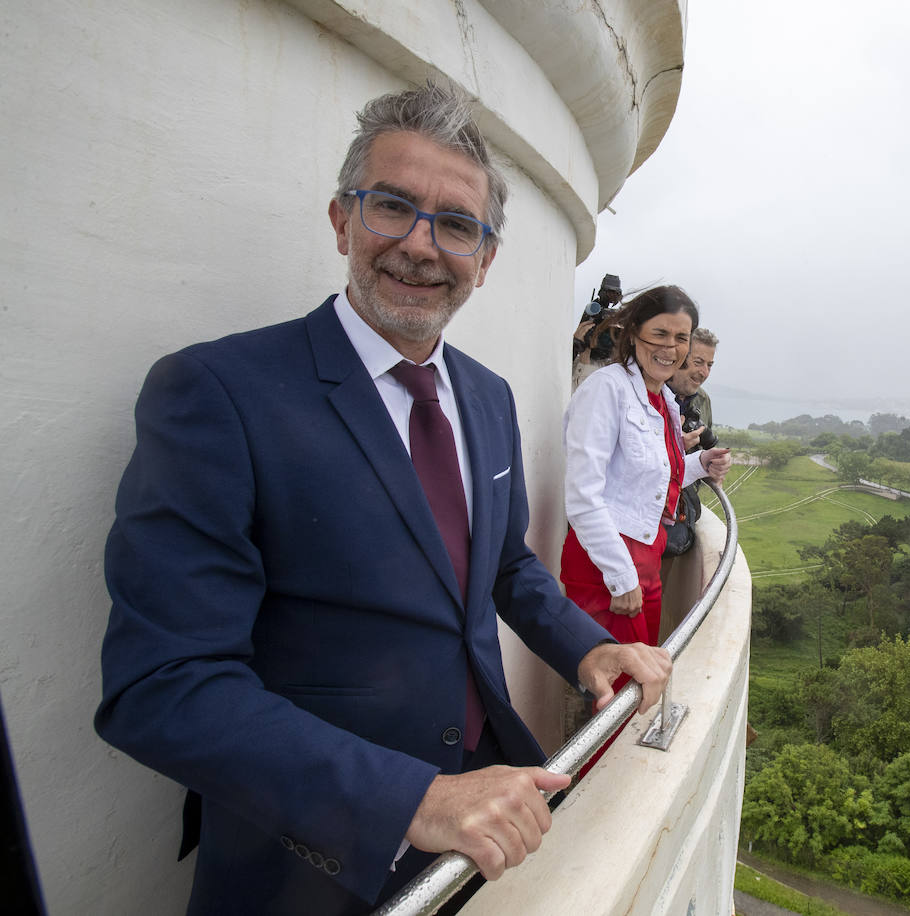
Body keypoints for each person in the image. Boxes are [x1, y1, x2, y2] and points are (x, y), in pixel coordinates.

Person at [93, 81, 671, 916]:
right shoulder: (218, 392)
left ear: (487, 257)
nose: (422, 246)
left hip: (482, 804)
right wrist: (410, 800)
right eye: (392, 206)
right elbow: (162, 685)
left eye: (457, 225)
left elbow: (502, 564)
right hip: (310, 852)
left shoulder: (487, 395)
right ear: (341, 220)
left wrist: (587, 650)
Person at [560, 288, 731, 649]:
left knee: (639, 677)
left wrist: (700, 464)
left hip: (647, 557)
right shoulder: (606, 390)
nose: (671, 348)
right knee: (623, 685)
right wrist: (620, 576)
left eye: (680, 338)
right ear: (634, 332)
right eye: (660, 334)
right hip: (606, 563)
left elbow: (647, 480)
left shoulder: (661, 399)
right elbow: (582, 496)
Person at [661, 328, 719, 557]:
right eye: (698, 362)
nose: (704, 372)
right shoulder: (651, 392)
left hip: (678, 508)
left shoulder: (702, 400)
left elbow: (706, 448)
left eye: (710, 365)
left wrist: (713, 463)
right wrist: (674, 448)